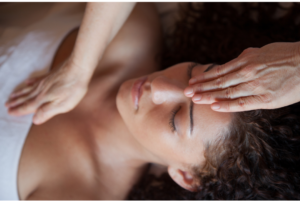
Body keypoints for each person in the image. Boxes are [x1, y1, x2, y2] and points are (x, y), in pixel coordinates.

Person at [2, 2, 300, 200]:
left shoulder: (76, 192)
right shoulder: (132, 33)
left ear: (186, 175)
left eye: (176, 119)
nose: (159, 86)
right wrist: (79, 66)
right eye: (196, 73)